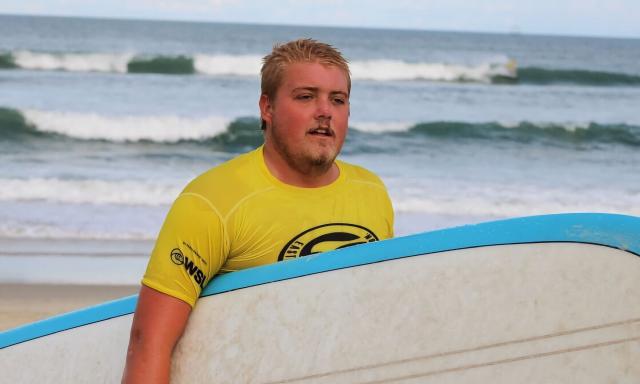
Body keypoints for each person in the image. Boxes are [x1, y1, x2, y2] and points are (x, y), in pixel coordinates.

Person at [121, 38, 394, 383]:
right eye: (306, 96)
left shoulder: (372, 192)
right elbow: (149, 344)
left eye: (337, 100)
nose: (325, 111)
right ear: (267, 107)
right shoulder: (213, 201)